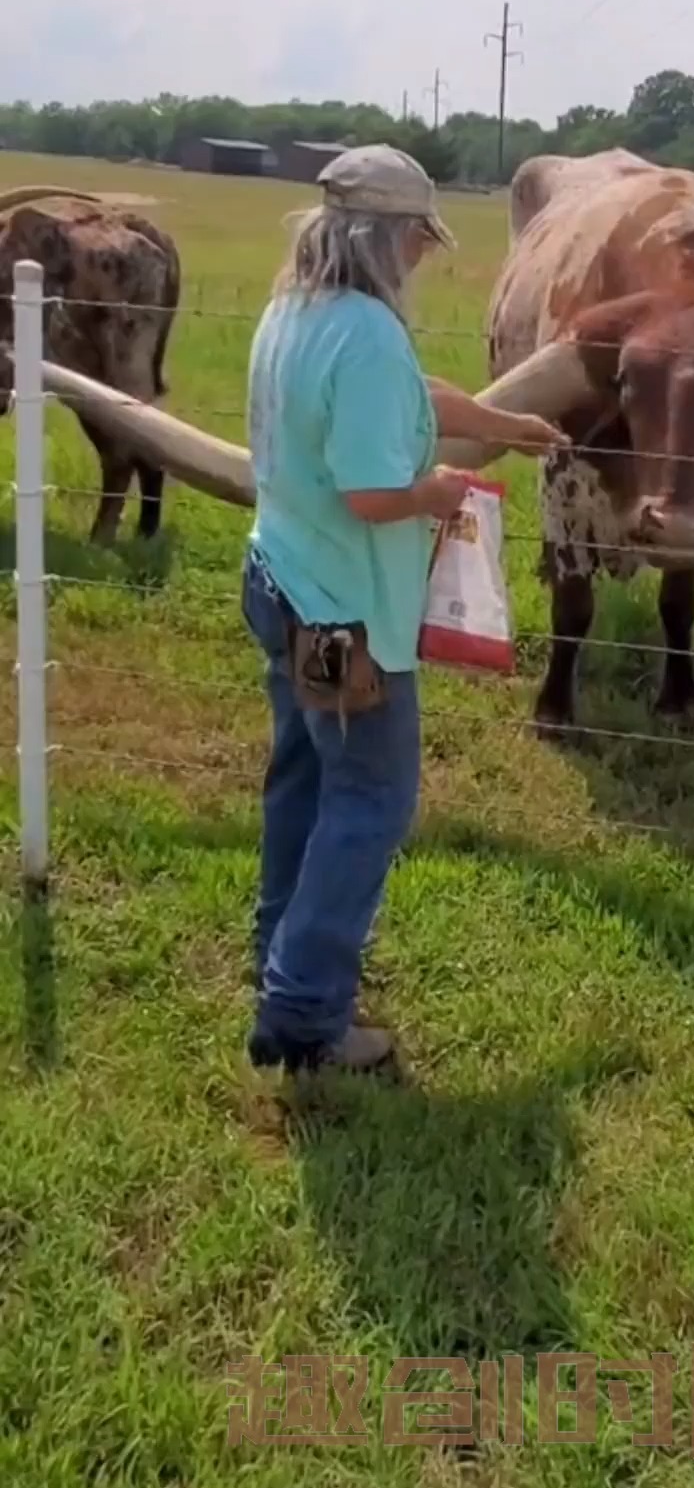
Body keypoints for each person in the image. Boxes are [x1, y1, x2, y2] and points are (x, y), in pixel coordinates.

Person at [241, 144, 568, 1075]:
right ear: (389, 238)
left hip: (282, 581)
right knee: (371, 799)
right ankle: (304, 1019)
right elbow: (373, 492)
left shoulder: (296, 311)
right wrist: (444, 491)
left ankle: (281, 958)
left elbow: (404, 399)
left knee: (306, 778)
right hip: (341, 616)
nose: (425, 257)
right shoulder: (370, 332)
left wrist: (500, 422)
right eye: (422, 240)